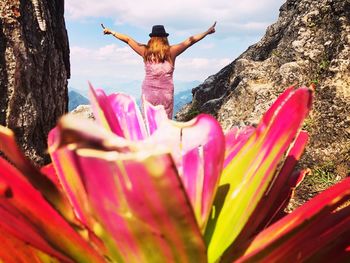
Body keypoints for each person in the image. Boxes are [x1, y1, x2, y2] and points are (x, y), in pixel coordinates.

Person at [102, 22, 216, 118]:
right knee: (165, 122)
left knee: (148, 120)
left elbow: (127, 39)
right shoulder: (171, 52)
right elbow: (190, 41)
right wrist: (207, 32)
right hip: (166, 94)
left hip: (148, 93)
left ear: (151, 39)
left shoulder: (145, 51)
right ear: (165, 38)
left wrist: (112, 32)